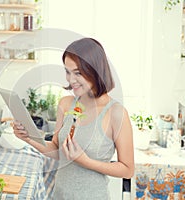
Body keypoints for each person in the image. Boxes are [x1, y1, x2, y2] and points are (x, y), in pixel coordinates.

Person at [13, 37, 134, 199]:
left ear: (95, 70)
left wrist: (85, 161)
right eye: (68, 72)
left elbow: (127, 169)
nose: (70, 80)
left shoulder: (116, 113)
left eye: (77, 73)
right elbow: (57, 150)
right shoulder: (66, 104)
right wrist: (28, 138)